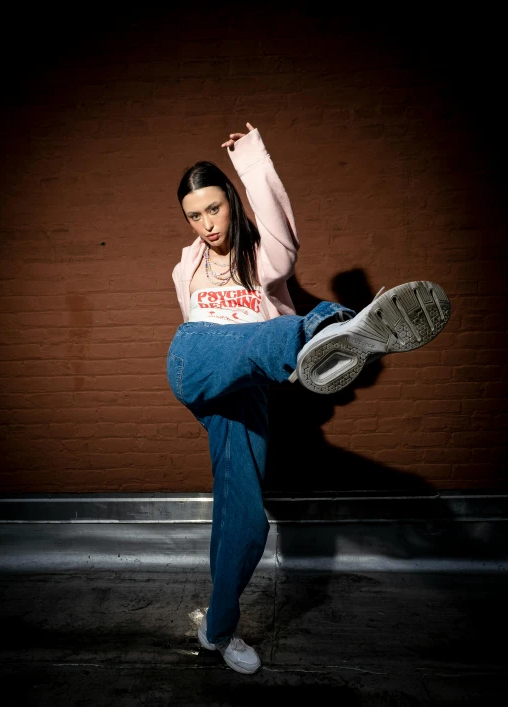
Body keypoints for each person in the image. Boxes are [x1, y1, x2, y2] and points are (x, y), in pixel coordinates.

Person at [167, 122, 450, 674]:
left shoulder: (265, 259)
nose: (206, 226)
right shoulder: (187, 265)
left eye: (214, 210)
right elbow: (199, 332)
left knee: (247, 523)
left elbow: (277, 222)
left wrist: (250, 158)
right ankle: (328, 331)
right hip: (198, 362)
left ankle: (218, 631)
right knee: (250, 337)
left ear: (232, 204)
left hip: (247, 394)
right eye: (194, 216)